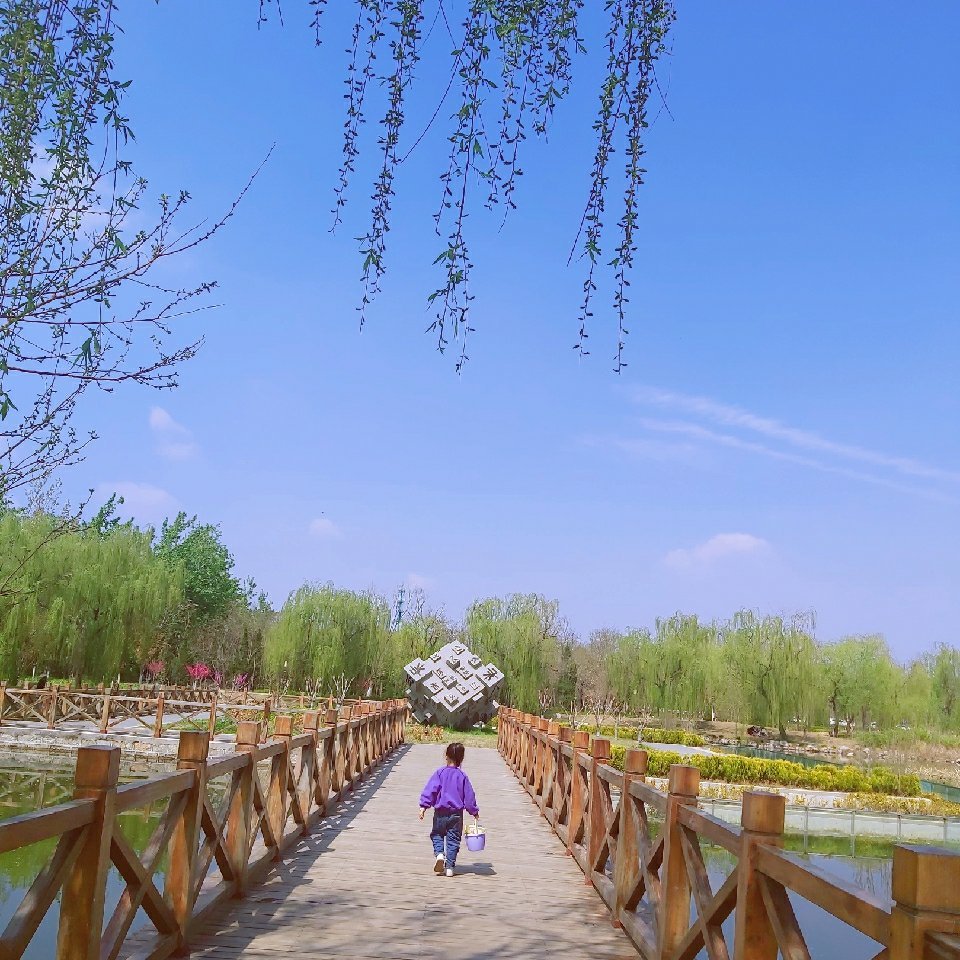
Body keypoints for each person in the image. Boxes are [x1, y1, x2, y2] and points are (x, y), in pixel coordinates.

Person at [418, 741, 479, 877]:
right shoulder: (462, 776)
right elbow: (469, 797)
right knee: (453, 840)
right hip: (456, 814)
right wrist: (474, 811)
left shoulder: (440, 773)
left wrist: (423, 806)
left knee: (437, 834)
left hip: (440, 812)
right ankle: (450, 867)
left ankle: (440, 854)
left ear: (446, 756)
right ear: (461, 759)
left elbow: (430, 790)